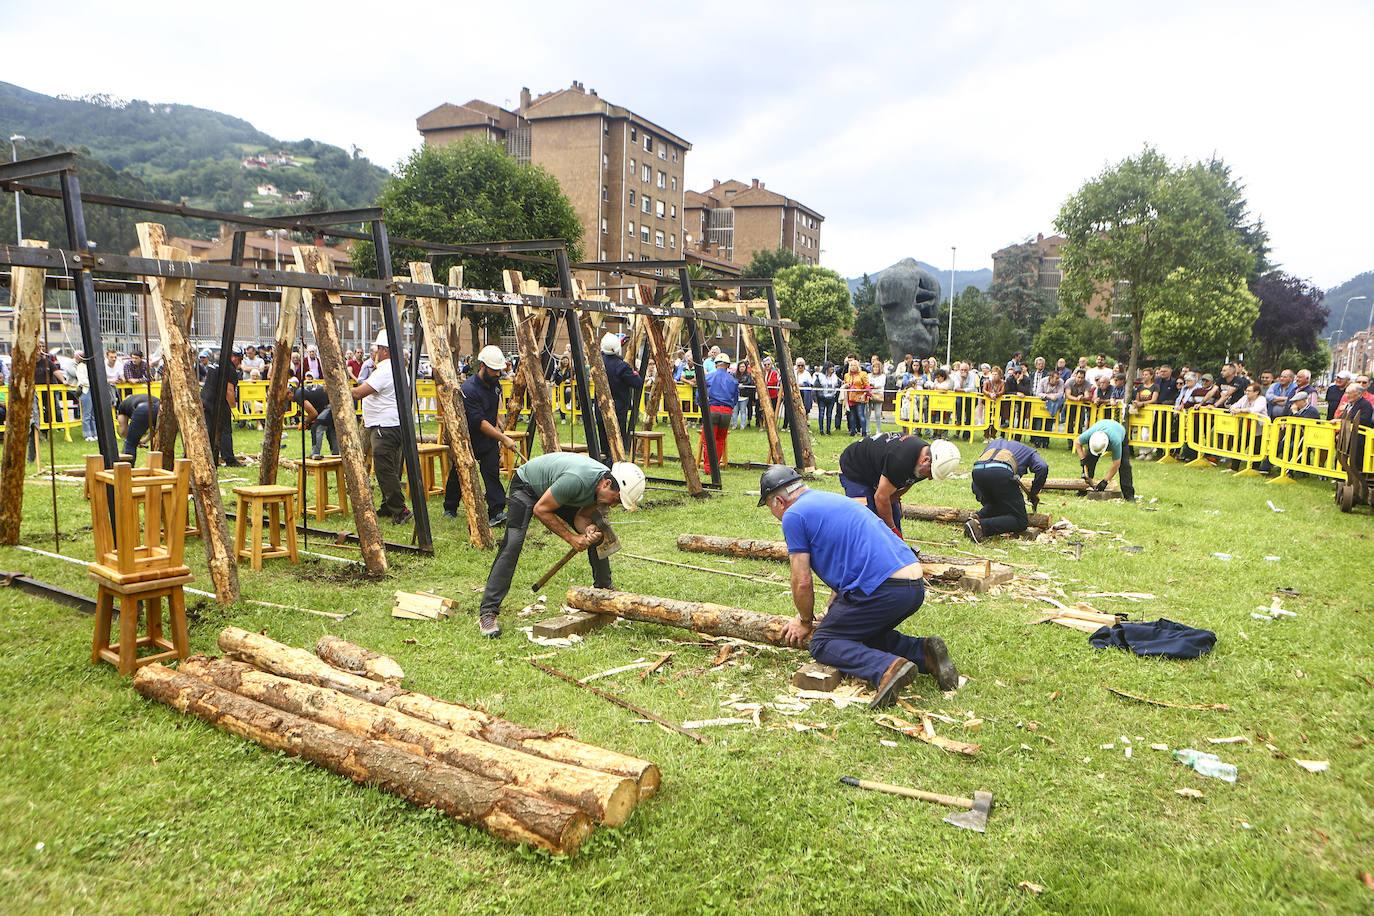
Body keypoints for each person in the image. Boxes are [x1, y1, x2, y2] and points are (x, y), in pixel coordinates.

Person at [757, 466, 959, 708]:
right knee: (854, 633)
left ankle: (886, 668)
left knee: (824, 641)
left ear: (778, 500)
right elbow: (847, 558)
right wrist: (834, 608)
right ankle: (924, 653)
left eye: (769, 506)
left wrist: (804, 621)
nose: (773, 513)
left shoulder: (793, 515)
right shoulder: (830, 500)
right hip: (912, 584)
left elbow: (801, 580)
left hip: (884, 586)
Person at [479, 455, 645, 638]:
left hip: (560, 492)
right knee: (514, 542)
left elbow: (581, 518)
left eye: (618, 503)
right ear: (606, 484)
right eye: (615, 499)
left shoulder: (599, 488)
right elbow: (541, 509)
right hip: (528, 487)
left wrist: (589, 530)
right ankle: (488, 611)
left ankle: (604, 589)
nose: (613, 505)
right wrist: (572, 538)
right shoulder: (577, 480)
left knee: (601, 529)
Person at [443, 345, 517, 524]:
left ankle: (496, 511)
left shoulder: (494, 382)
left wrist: (498, 418)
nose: (498, 374)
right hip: (468, 439)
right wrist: (503, 438)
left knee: (491, 473)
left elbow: (496, 397)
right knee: (459, 472)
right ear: (482, 366)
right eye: (494, 370)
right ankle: (450, 507)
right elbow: (480, 423)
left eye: (499, 371)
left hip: (487, 439)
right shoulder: (469, 390)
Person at [838, 434, 961, 535]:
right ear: (925, 460)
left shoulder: (923, 464)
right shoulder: (900, 459)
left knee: (894, 515)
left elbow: (908, 482)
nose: (929, 478)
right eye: (931, 473)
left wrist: (893, 500)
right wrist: (891, 530)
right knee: (865, 520)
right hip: (854, 470)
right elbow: (880, 497)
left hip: (878, 474)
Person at [350, 331, 409, 525]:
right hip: (392, 424)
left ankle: (399, 509)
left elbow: (359, 393)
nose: (375, 353)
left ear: (384, 350)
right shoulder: (397, 368)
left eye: (377, 349)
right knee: (390, 467)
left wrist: (340, 388)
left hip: (385, 426)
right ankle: (388, 504)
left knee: (384, 469)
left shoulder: (385, 370)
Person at [966, 438, 1049, 542]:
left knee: (1002, 505)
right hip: (1001, 471)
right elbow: (1042, 467)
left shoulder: (994, 443)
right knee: (1021, 521)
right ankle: (979, 526)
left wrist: (982, 497)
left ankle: (978, 516)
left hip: (977, 471)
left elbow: (983, 471)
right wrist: (1034, 492)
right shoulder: (1030, 452)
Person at [599, 332, 643, 454]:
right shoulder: (622, 366)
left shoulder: (599, 363)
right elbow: (637, 383)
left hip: (600, 408)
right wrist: (635, 373)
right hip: (618, 409)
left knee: (603, 443)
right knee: (618, 442)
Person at [199, 346, 243, 467]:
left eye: (238, 358)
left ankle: (209, 458)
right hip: (217, 402)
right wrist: (234, 408)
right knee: (225, 431)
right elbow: (229, 390)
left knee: (209, 430)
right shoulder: (229, 369)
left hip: (205, 400)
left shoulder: (216, 364)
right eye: (236, 358)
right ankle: (229, 459)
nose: (237, 361)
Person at [1074, 418, 1134, 500]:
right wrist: (1083, 459)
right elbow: (1077, 442)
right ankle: (1083, 489)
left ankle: (1129, 495)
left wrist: (1105, 481)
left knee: (1124, 465)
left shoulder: (1115, 441)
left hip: (1120, 432)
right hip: (1101, 427)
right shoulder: (1090, 435)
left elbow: (1116, 464)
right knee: (1089, 461)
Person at [700, 353, 738, 469]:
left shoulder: (708, 377)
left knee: (708, 439)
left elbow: (700, 395)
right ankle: (715, 465)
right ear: (727, 366)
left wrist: (702, 406)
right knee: (720, 439)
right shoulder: (733, 381)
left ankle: (708, 467)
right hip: (727, 412)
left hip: (712, 410)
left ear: (716, 365)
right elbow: (735, 398)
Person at [289, 381, 336, 459]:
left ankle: (315, 453)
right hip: (331, 403)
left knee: (317, 426)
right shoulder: (300, 390)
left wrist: (305, 423)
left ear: (290, 393)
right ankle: (336, 454)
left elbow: (313, 413)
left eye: (286, 398)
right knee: (331, 429)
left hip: (331, 405)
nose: (288, 401)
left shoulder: (298, 395)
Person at [117, 392, 159, 460]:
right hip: (158, 407)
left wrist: (133, 440)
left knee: (130, 443)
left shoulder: (123, 405)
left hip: (142, 408)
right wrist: (144, 441)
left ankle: (127, 467)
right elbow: (155, 429)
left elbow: (123, 430)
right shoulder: (142, 397)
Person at [844, 357, 870, 436]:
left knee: (861, 415)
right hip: (850, 398)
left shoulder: (863, 374)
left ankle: (864, 432)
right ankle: (852, 431)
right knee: (852, 416)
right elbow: (845, 384)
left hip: (860, 398)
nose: (853, 367)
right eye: (851, 365)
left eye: (855, 365)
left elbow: (867, 386)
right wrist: (846, 385)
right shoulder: (847, 375)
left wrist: (864, 395)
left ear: (858, 366)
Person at [815, 362, 839, 435]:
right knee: (821, 414)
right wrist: (817, 397)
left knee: (829, 415)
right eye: (830, 367)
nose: (832, 368)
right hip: (822, 398)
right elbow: (816, 387)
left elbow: (838, 385)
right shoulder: (820, 376)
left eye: (833, 367)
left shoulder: (835, 376)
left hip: (831, 398)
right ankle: (821, 430)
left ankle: (828, 430)